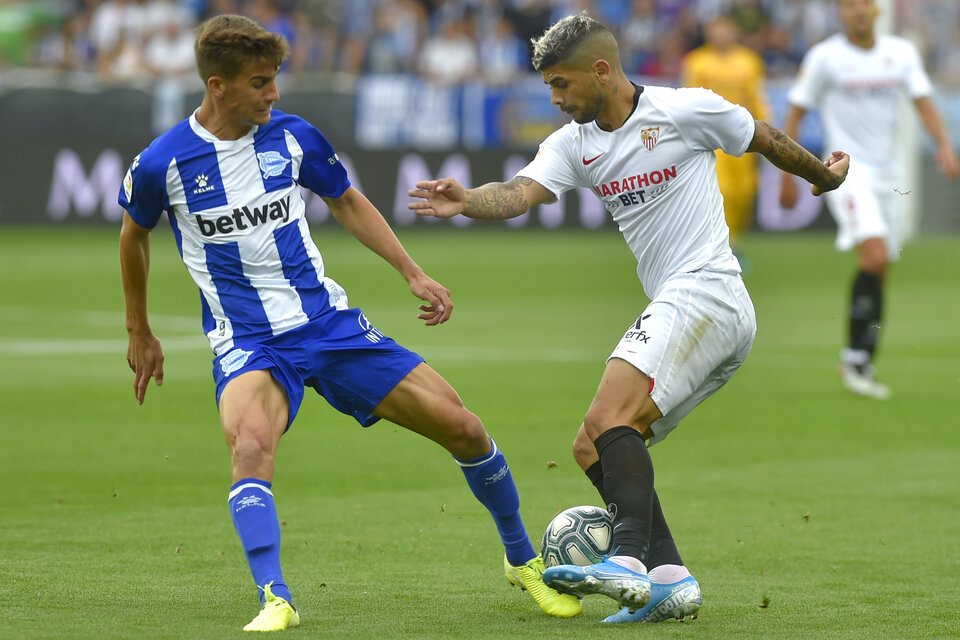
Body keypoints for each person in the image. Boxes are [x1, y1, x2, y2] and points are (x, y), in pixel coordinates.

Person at [118, 14, 581, 632]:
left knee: (464, 428)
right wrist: (138, 330)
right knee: (251, 447)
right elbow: (134, 235)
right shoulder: (163, 164)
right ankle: (274, 597)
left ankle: (523, 561)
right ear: (217, 85)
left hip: (328, 324)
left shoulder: (293, 137)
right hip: (249, 342)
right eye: (260, 83)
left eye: (274, 79)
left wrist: (411, 273)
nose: (274, 93)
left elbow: (346, 200)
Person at [409, 14, 848, 623]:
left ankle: (628, 561)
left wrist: (821, 176)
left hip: (708, 291)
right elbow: (517, 193)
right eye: (548, 89)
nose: (556, 100)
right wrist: (467, 202)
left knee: (608, 418)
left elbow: (763, 137)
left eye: (562, 85)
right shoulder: (574, 143)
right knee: (594, 445)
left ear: (601, 70)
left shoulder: (683, 109)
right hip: (694, 309)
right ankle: (670, 580)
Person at [779, 0, 959, 400]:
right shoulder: (825, 57)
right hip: (847, 174)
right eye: (850, 6)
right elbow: (796, 110)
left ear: (877, 12)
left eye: (864, 5)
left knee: (882, 268)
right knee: (875, 258)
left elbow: (923, 101)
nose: (858, 12)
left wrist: (944, 145)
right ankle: (855, 356)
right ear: (841, 14)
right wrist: (789, 174)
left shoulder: (901, 53)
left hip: (891, 177)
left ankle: (862, 359)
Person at [682, 14, 770, 252]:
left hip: (743, 135)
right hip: (711, 137)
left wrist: (766, 127)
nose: (720, 34)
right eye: (715, 29)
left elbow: (757, 96)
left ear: (734, 31)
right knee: (724, 190)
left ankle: (735, 238)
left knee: (745, 191)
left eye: (724, 29)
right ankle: (724, 246)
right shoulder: (696, 61)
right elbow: (687, 98)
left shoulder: (749, 61)